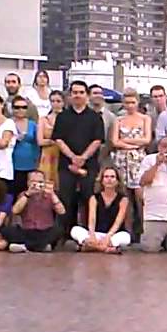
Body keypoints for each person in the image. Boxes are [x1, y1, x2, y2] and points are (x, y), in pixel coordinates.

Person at [52, 81, 106, 240]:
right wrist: (73, 157)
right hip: (66, 164)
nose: (78, 95)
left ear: (87, 95)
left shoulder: (95, 117)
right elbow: (58, 139)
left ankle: (89, 235)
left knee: (89, 198)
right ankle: (62, 235)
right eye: (74, 92)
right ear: (70, 96)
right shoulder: (62, 116)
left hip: (89, 165)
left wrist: (83, 158)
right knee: (65, 199)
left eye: (81, 92)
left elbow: (97, 140)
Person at [111, 89, 153, 232]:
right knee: (124, 196)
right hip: (121, 160)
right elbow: (115, 141)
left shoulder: (145, 119)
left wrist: (127, 141)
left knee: (140, 196)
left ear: (138, 102)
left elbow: (147, 139)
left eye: (132, 102)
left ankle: (145, 230)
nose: (130, 105)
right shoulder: (118, 120)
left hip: (139, 160)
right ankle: (127, 230)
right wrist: (133, 144)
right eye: (127, 102)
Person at [69, 166, 131, 253]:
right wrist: (92, 235)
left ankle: (89, 247)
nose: (109, 179)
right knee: (75, 230)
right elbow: (92, 219)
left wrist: (108, 236)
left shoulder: (123, 199)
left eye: (112, 177)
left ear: (117, 181)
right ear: (102, 180)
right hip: (96, 234)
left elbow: (118, 221)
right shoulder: (94, 198)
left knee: (126, 237)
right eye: (106, 177)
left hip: (112, 235)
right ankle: (106, 249)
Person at [0, 169, 64, 253]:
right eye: (33, 181)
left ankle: (25, 246)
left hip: (45, 231)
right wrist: (28, 194)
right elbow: (15, 211)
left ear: (44, 182)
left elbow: (62, 211)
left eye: (40, 181)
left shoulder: (50, 195)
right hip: (27, 231)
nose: (36, 184)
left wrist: (52, 194)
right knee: (6, 230)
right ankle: (40, 247)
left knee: (59, 230)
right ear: (28, 183)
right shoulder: (23, 195)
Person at [10, 95, 40, 198]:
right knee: (14, 192)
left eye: (24, 107)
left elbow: (37, 143)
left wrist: (37, 161)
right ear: (12, 108)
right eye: (17, 107)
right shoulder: (8, 123)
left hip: (30, 163)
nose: (20, 110)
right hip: (13, 163)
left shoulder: (33, 124)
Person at [36, 90, 64, 191]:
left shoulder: (68, 118)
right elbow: (40, 141)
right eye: (53, 101)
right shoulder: (43, 119)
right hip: (47, 156)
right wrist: (54, 141)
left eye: (58, 101)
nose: (55, 104)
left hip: (62, 155)